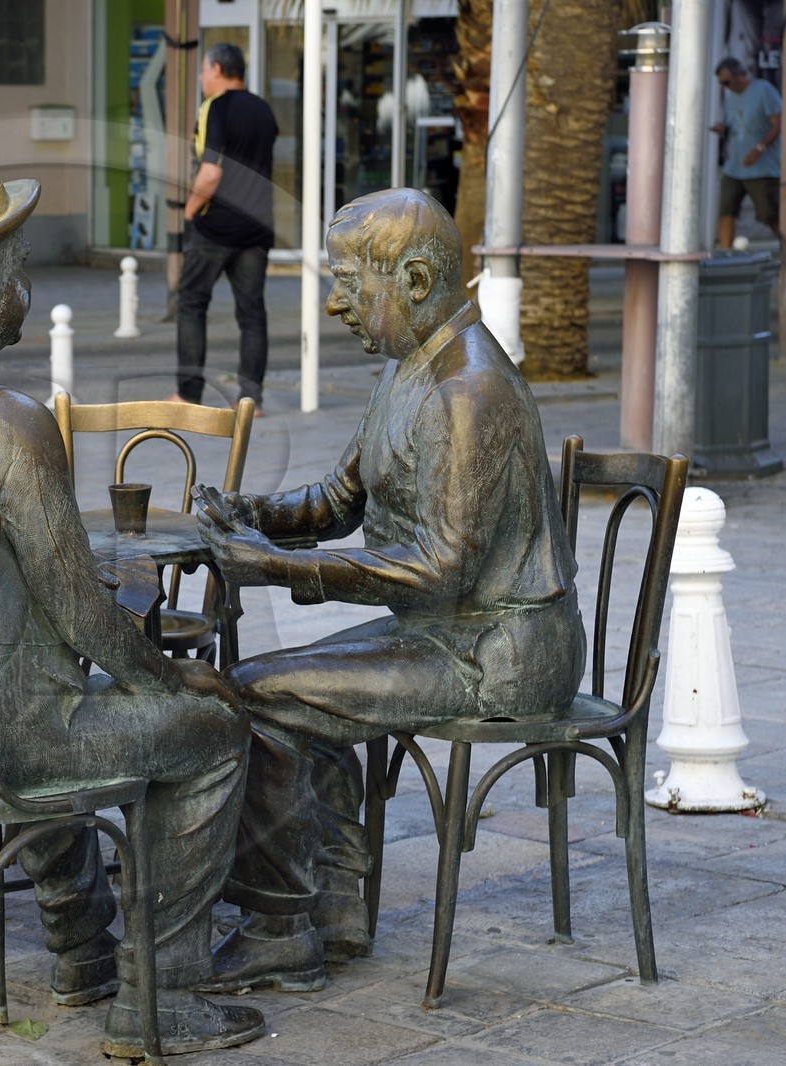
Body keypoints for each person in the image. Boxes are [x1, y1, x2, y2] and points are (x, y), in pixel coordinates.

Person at [0, 143, 262, 1058]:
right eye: (19, 275)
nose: (24, 292)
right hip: (1, 745)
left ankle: (82, 954)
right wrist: (173, 681)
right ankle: (163, 995)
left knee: (41, 694)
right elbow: (87, 621)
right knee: (211, 729)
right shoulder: (9, 423)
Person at [193, 187, 586, 992]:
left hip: (499, 649)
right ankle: (332, 911)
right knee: (294, 689)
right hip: (446, 629)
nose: (335, 302)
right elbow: (341, 500)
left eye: (346, 281)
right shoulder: (412, 366)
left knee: (257, 694)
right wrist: (251, 514)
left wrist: (280, 567)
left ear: (411, 280)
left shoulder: (469, 388)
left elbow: (440, 566)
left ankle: (279, 928)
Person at [170, 41, 278, 413]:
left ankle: (188, 395)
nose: (201, 77)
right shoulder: (263, 110)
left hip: (215, 227)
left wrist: (190, 210)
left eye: (203, 70)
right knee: (251, 314)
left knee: (191, 305)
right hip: (256, 229)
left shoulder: (215, 107)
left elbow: (211, 172)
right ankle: (251, 400)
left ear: (216, 69)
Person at [710, 57, 782, 248]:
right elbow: (733, 122)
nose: (725, 87)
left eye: (726, 82)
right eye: (721, 83)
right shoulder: (730, 96)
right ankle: (725, 255)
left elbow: (778, 123)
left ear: (739, 76)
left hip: (761, 168)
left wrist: (759, 149)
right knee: (726, 211)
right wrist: (722, 128)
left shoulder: (763, 90)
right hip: (734, 165)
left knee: (769, 214)